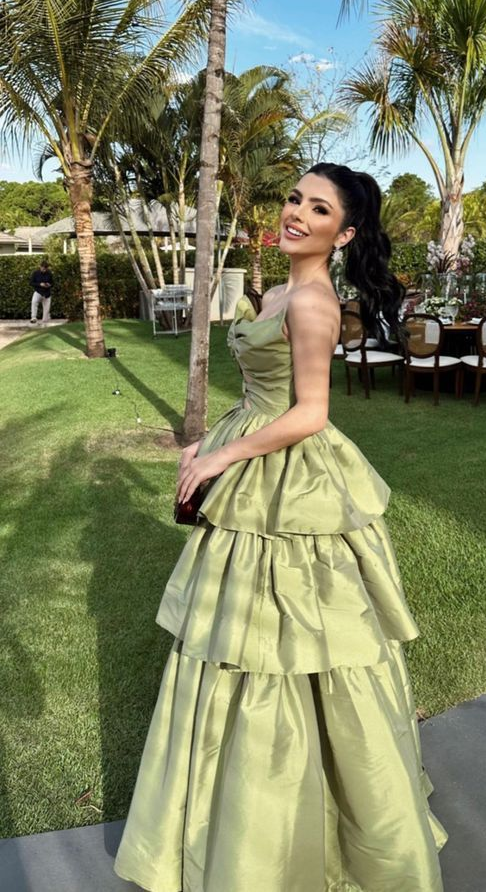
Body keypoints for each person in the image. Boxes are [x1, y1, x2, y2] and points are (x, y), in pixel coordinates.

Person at [114, 163, 448, 892]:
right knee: (237, 637)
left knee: (304, 639)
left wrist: (220, 457)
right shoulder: (276, 292)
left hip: (294, 478)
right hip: (254, 452)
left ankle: (313, 814)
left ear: (345, 234)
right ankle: (231, 800)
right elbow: (262, 395)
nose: (296, 213)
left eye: (319, 209)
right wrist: (206, 446)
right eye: (295, 198)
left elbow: (311, 412)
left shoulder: (314, 301)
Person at [30, 259, 54, 326]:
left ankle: (45, 321)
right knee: (34, 302)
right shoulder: (35, 273)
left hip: (47, 293)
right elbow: (31, 283)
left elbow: (52, 283)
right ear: (40, 267)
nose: (44, 270)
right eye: (43, 268)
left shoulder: (49, 273)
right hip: (38, 292)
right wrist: (40, 284)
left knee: (46, 309)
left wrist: (49, 285)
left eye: (45, 269)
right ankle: (33, 317)